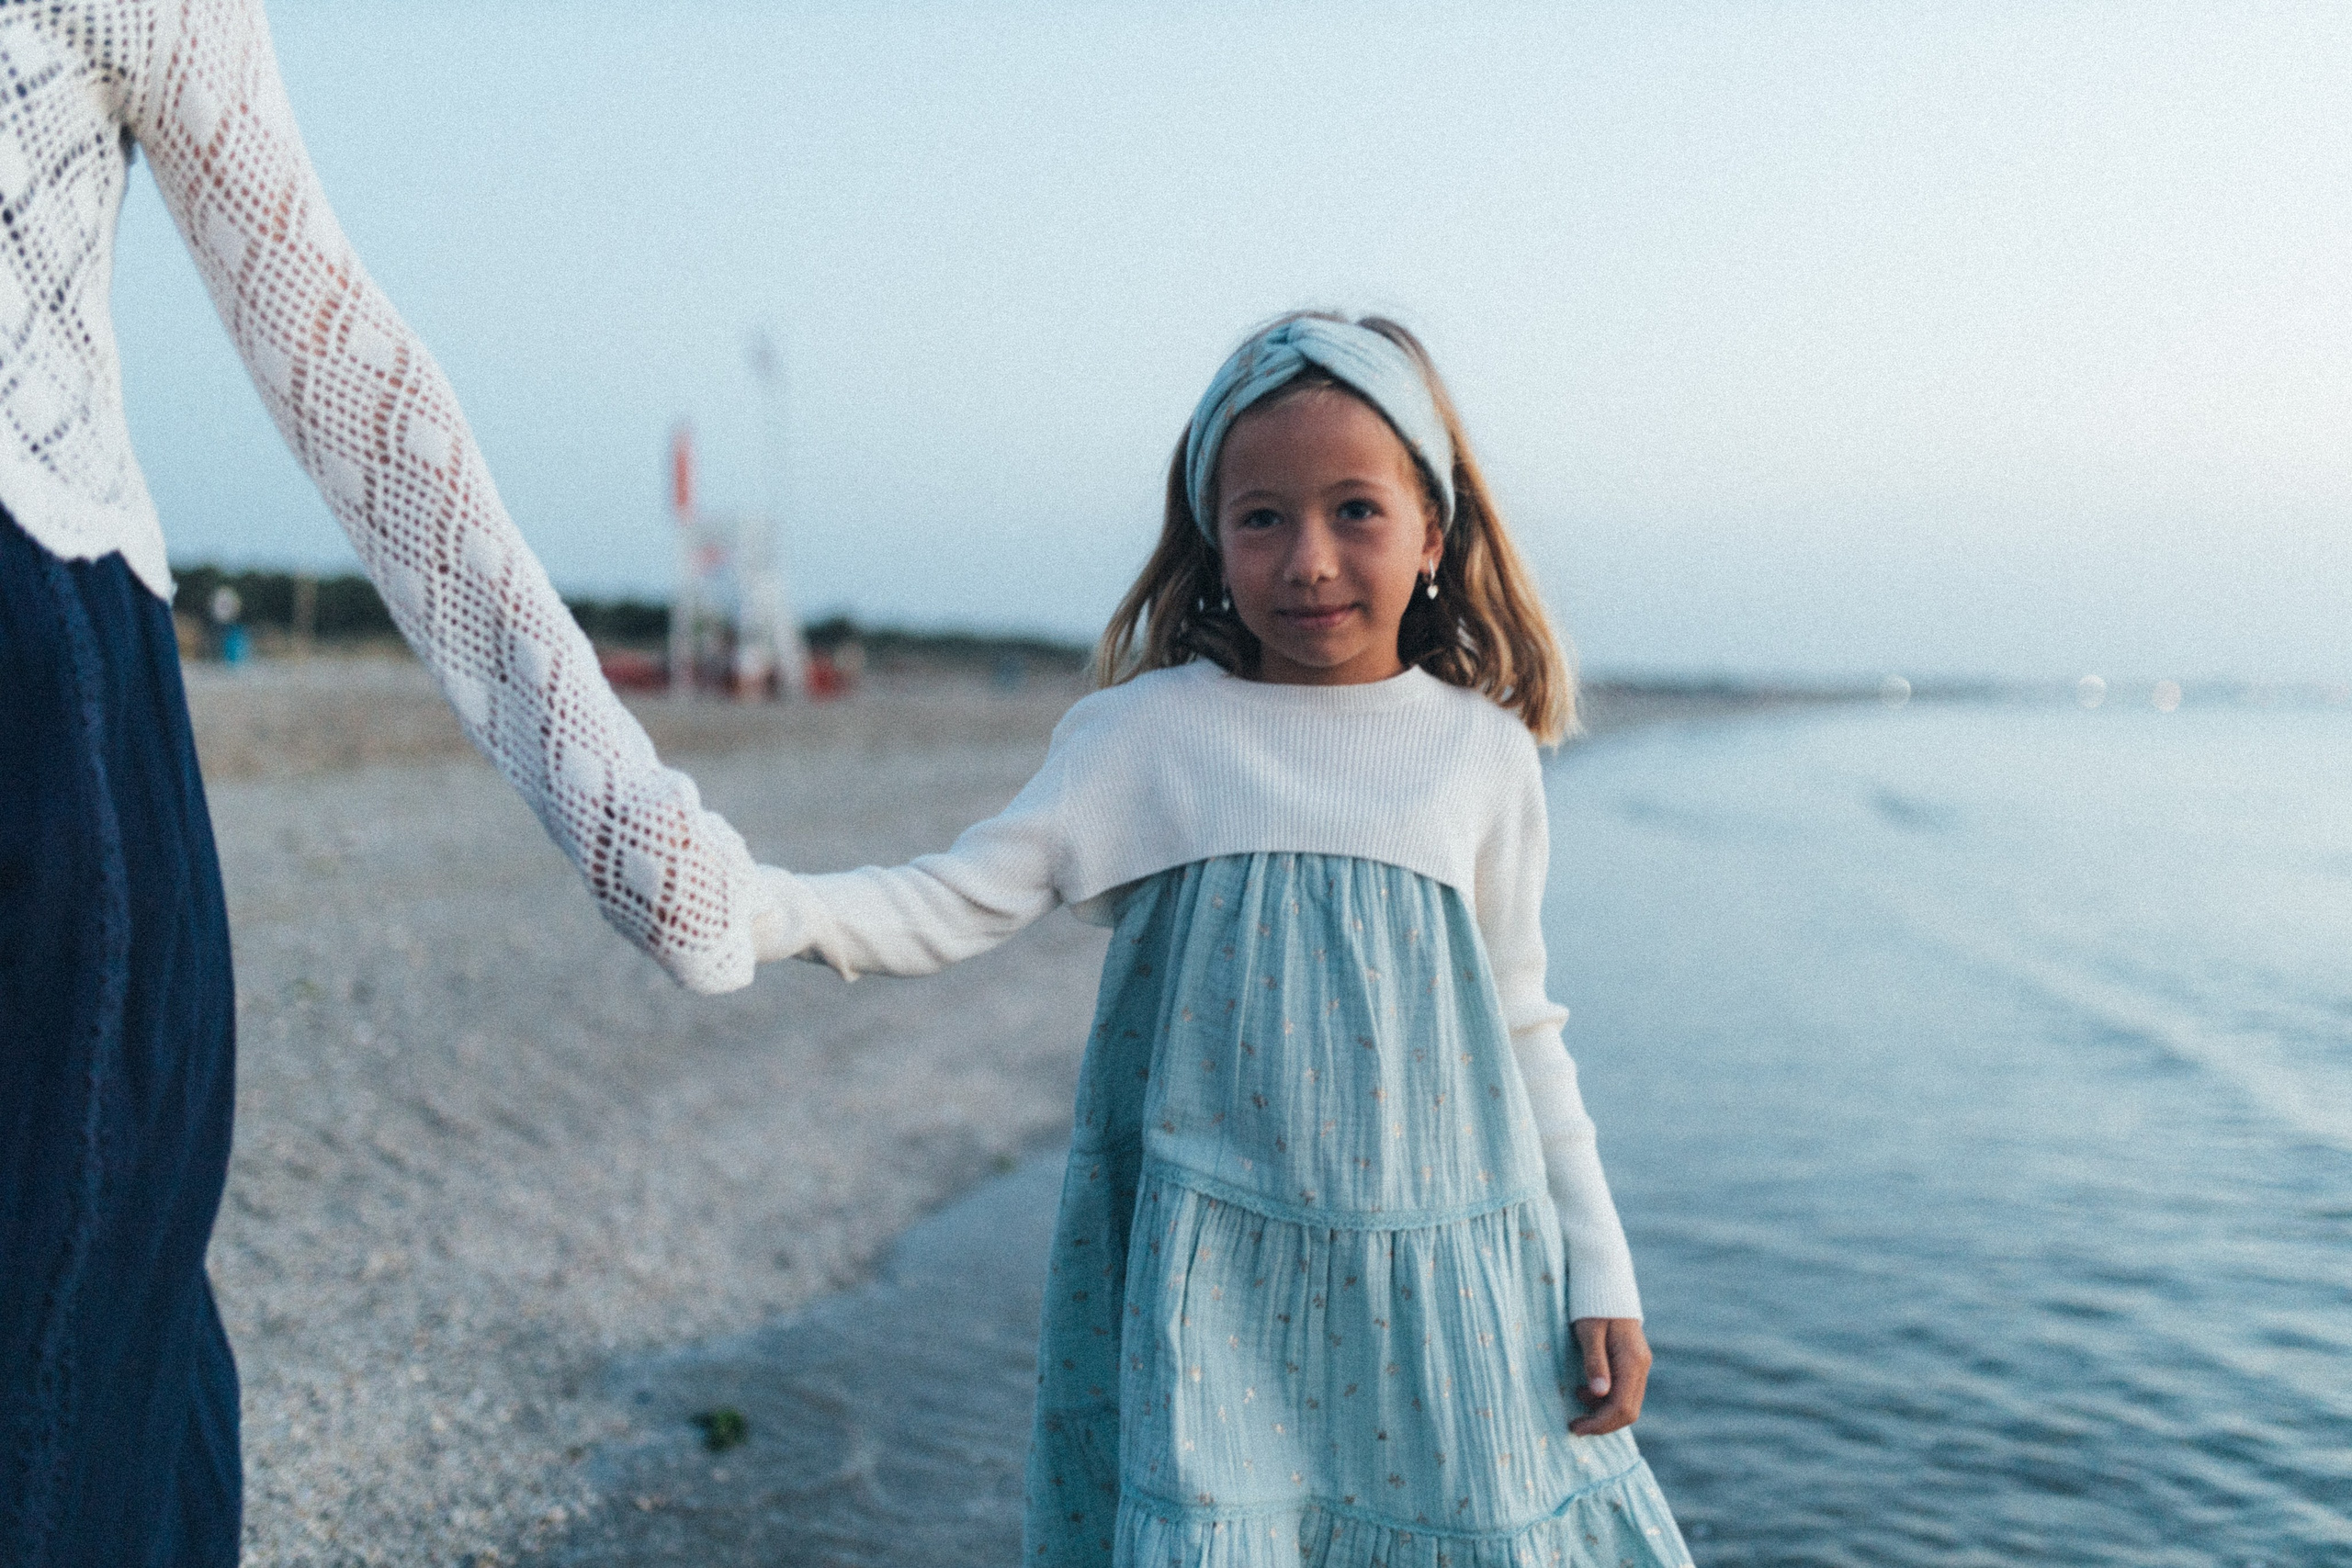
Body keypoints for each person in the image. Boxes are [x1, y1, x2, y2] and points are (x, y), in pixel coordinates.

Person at [0, 3, 777, 1562]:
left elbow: (343, 368)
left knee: (67, 1358)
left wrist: (624, 816)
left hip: (40, 684)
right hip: (47, 689)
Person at [752, 314, 1692, 1565]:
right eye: (1262, 518)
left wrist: (1601, 1270)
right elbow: (951, 900)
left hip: (1444, 1279)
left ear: (1432, 533)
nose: (1309, 560)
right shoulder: (1147, 740)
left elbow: (1521, 1023)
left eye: (1355, 511)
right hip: (1212, 1286)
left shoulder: (1481, 753)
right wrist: (755, 907)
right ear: (1214, 542)